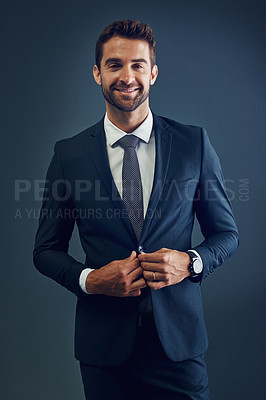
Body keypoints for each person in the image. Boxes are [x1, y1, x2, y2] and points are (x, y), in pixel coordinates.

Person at [33, 20, 239, 400]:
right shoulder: (69, 154)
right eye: (114, 65)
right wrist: (90, 280)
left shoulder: (193, 143)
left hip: (179, 346)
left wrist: (191, 261)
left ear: (153, 73)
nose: (127, 76)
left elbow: (227, 234)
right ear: (97, 73)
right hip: (104, 351)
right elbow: (45, 251)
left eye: (137, 65)